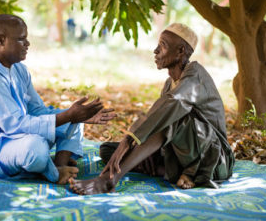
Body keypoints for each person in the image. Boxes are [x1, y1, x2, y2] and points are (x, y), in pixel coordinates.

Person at [70, 23, 235, 194]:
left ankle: (108, 180)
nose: (155, 51)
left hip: (213, 160)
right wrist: (141, 147)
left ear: (180, 51)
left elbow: (171, 105)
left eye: (163, 45)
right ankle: (170, 172)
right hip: (183, 153)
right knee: (108, 151)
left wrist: (129, 140)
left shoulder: (196, 75)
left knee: (170, 118)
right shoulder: (169, 83)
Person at [0, 14, 116, 184]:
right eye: (21, 39)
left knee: (75, 120)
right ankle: (53, 173)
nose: (28, 44)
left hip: (13, 138)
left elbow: (36, 110)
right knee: (35, 149)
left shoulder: (18, 69)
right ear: (1, 41)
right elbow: (14, 125)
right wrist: (68, 116)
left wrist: (74, 116)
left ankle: (60, 165)